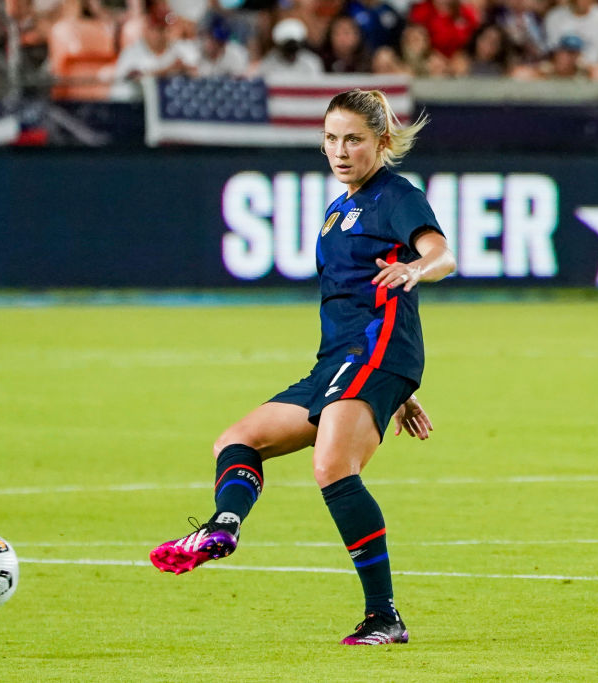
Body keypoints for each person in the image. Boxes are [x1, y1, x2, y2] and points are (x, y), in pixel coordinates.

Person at [150, 90, 455, 646]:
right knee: (237, 441)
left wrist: (418, 269)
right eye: (331, 139)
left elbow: (441, 252)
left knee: (331, 465)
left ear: (381, 142)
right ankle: (224, 525)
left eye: (354, 140)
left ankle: (383, 616)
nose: (340, 151)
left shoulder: (396, 196)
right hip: (343, 362)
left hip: (375, 352)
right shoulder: (338, 211)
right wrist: (396, 394)